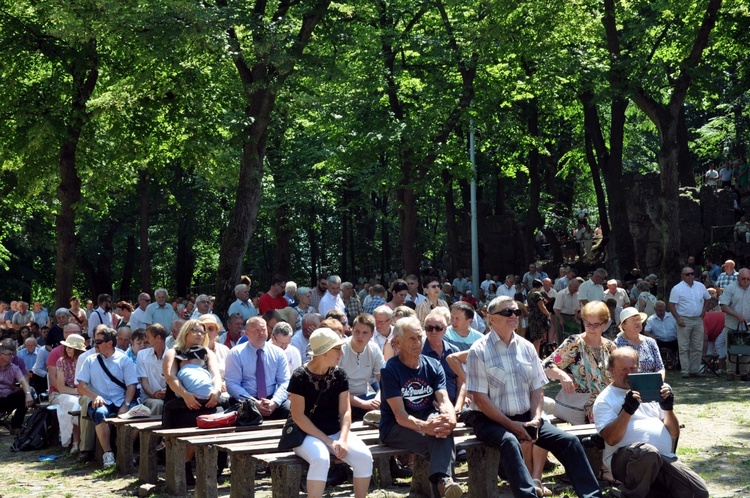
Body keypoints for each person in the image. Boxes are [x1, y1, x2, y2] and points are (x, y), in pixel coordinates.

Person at [465, 296, 602, 498]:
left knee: (570, 441)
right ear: (491, 319)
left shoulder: (527, 347)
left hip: (527, 418)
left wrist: (537, 418)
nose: (514, 316)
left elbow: (537, 389)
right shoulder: (479, 351)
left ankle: (592, 496)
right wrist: (512, 426)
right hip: (490, 419)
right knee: (511, 442)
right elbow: (481, 399)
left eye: (517, 312)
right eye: (507, 312)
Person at [592, 348, 709, 498]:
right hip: (624, 460)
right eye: (624, 369)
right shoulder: (605, 399)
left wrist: (668, 408)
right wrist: (627, 410)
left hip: (662, 458)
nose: (629, 373)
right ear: (612, 371)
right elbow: (611, 438)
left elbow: (674, 433)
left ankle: (652, 492)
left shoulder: (651, 390)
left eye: (633, 368)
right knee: (647, 452)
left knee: (697, 492)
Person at [380, 316, 464, 498]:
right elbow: (400, 415)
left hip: (428, 420)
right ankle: (445, 481)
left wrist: (450, 417)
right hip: (395, 427)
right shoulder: (389, 369)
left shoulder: (433, 365)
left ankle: (444, 482)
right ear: (397, 342)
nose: (418, 342)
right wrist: (427, 427)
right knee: (440, 441)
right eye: (412, 338)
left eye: (420, 337)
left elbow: (443, 400)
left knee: (442, 432)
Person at [287, 328, 373, 498]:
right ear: (324, 352)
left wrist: (343, 438)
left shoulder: (339, 374)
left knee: (364, 457)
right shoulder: (299, 377)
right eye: (337, 349)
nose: (341, 353)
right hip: (305, 435)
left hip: (335, 433)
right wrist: (327, 441)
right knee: (321, 458)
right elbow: (298, 416)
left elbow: (345, 410)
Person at [162, 321, 223, 484]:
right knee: (191, 425)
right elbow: (170, 377)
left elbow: (216, 375)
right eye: (194, 331)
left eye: (202, 332)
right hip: (179, 402)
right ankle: (185, 466)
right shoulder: (173, 353)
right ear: (185, 332)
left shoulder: (207, 352)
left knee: (221, 419)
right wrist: (186, 395)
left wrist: (216, 391)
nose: (199, 334)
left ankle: (215, 466)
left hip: (207, 399)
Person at [542, 301, 616, 425]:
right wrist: (563, 376)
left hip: (608, 407)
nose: (591, 329)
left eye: (596, 325)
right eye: (587, 324)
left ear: (605, 324)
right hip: (583, 411)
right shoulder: (574, 343)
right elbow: (547, 365)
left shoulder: (611, 346)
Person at [76, 327, 138, 469]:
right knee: (100, 414)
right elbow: (81, 386)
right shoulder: (90, 360)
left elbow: (131, 386)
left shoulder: (124, 360)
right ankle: (108, 453)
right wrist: (94, 395)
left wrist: (126, 404)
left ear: (109, 343)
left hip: (121, 399)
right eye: (94, 341)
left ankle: (123, 449)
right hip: (102, 400)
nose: (95, 344)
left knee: (137, 414)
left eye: (98, 341)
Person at [225, 316, 291, 419]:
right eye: (256, 330)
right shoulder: (236, 353)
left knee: (289, 409)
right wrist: (253, 403)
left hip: (272, 399)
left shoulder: (279, 353)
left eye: (263, 330)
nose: (261, 333)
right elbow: (232, 384)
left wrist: (274, 402)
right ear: (246, 333)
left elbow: (284, 382)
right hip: (247, 400)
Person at [339, 314, 384, 420]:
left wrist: (377, 400)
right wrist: (364, 404)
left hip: (366, 397)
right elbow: (335, 390)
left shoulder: (374, 349)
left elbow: (384, 382)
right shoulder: (341, 349)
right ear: (351, 330)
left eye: (365, 333)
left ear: (372, 334)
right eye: (357, 331)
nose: (360, 336)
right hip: (341, 399)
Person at [668, 267, 711, 378]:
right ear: (682, 276)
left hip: (698, 319)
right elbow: (671, 305)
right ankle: (685, 371)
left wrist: (704, 310)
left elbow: (708, 298)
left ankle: (694, 370)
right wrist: (678, 319)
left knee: (697, 346)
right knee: (684, 347)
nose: (690, 276)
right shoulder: (677, 288)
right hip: (684, 319)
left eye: (692, 273)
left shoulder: (700, 286)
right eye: (687, 274)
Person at [55, 333, 86, 453]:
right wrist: (78, 391)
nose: (67, 349)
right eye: (67, 347)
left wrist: (83, 392)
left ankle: (81, 442)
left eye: (70, 347)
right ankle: (76, 442)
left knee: (80, 404)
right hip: (67, 394)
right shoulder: (61, 361)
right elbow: (61, 388)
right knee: (75, 404)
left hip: (84, 394)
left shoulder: (85, 361)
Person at [615, 308, 665, 379]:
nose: (637, 322)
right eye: (633, 320)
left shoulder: (650, 342)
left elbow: (660, 368)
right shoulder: (617, 344)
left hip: (652, 384)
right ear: (623, 325)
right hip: (628, 385)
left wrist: (659, 382)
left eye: (638, 319)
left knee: (667, 388)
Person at [719, 267, 750, 380]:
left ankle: (744, 373)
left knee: (747, 349)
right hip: (732, 323)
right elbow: (723, 306)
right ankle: (730, 372)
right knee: (731, 348)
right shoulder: (730, 288)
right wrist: (737, 315)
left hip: (747, 324)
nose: (746, 281)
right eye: (743, 278)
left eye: (748, 279)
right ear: (738, 278)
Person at [0, 344, 35, 435]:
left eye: (12, 354)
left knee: (23, 395)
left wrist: (28, 394)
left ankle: (16, 426)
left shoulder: (14, 368)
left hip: (7, 398)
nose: (12, 357)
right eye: (9, 354)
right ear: (1, 355)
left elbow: (23, 381)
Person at [137, 324, 169, 415]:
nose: (145, 340)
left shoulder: (172, 356)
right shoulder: (142, 355)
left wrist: (167, 393)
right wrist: (152, 394)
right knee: (158, 404)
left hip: (168, 397)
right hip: (148, 397)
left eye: (148, 337)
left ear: (158, 338)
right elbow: (144, 381)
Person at [527, 280, 550, 356]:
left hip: (532, 316)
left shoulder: (529, 293)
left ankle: (534, 355)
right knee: (538, 338)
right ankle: (535, 355)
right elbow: (541, 306)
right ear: (540, 286)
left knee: (534, 338)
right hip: (538, 318)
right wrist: (547, 313)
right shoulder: (537, 294)